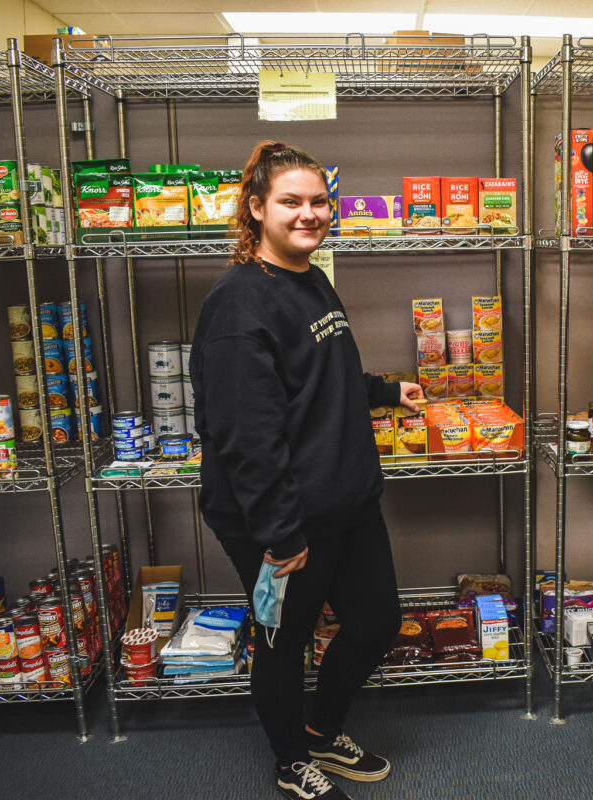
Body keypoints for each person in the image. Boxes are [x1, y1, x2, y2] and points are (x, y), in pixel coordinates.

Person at [190, 141, 423, 800]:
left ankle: (321, 729)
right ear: (256, 208)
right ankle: (292, 761)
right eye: (291, 201)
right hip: (281, 517)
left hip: (344, 498)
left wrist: (383, 391)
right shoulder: (238, 306)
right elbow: (247, 437)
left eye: (319, 201)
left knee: (375, 622)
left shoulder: (309, 276)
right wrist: (281, 534)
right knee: (284, 642)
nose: (309, 214)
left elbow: (322, 373)